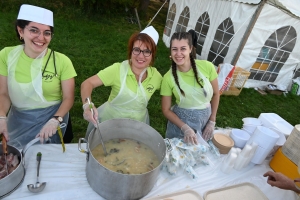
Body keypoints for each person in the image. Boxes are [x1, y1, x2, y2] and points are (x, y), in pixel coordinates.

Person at [0, 4, 77, 148]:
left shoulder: (62, 61)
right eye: (34, 30)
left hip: (53, 118)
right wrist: (1, 116)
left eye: (47, 33)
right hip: (19, 120)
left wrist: (55, 120)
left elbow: (69, 98)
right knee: (13, 157)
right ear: (21, 30)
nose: (41, 38)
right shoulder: (6, 55)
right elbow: (3, 94)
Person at [81, 26, 162, 139]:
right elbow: (87, 83)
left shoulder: (156, 76)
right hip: (110, 123)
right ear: (131, 50)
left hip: (137, 126)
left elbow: (172, 89)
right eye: (137, 50)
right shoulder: (117, 70)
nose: (140, 56)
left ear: (153, 54)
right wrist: (87, 105)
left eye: (147, 51)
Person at [161, 32, 219, 145]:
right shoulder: (168, 78)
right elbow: (166, 110)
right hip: (180, 124)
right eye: (174, 49)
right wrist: (185, 128)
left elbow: (216, 94)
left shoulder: (207, 67)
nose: (178, 54)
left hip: (204, 121)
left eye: (183, 48)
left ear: (190, 49)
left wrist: (212, 121)